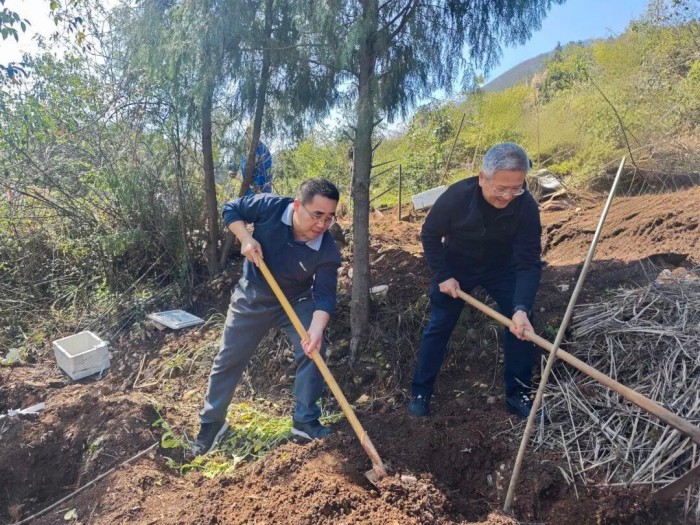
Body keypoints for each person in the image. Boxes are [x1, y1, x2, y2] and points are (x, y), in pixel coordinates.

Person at [192, 178, 341, 455]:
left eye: (329, 218)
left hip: (296, 300)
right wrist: (246, 238)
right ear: (297, 206)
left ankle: (305, 421)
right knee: (229, 356)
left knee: (313, 351)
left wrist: (316, 330)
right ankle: (212, 422)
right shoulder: (270, 207)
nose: (322, 224)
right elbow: (231, 208)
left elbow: (325, 296)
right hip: (254, 294)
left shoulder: (327, 249)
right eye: (317, 215)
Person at [408, 142, 542, 420]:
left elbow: (529, 261)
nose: (508, 196)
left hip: (502, 268)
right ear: (483, 178)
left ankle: (518, 394)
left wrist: (520, 307)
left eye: (516, 188)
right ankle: (421, 393)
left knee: (521, 326)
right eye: (500, 188)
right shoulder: (457, 196)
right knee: (439, 325)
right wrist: (443, 276)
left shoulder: (526, 206)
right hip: (457, 266)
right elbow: (430, 234)